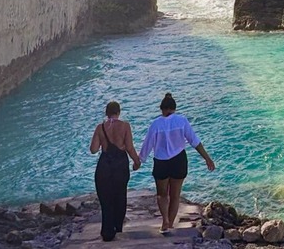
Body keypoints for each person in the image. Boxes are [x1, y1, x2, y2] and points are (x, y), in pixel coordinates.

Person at [139, 93, 215, 233]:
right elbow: (194, 141)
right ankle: (171, 223)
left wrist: (140, 160)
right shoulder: (182, 121)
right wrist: (207, 158)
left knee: (162, 194)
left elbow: (147, 145)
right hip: (178, 161)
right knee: (175, 196)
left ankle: (164, 221)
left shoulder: (155, 124)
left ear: (162, 109)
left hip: (161, 162)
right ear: (174, 108)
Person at [89, 101, 141, 242]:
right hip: (120, 165)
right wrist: (137, 161)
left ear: (106, 113)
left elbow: (93, 149)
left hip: (104, 165)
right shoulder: (125, 126)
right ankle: (118, 227)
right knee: (120, 195)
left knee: (106, 199)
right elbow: (129, 147)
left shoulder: (100, 127)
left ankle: (107, 232)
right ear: (119, 112)